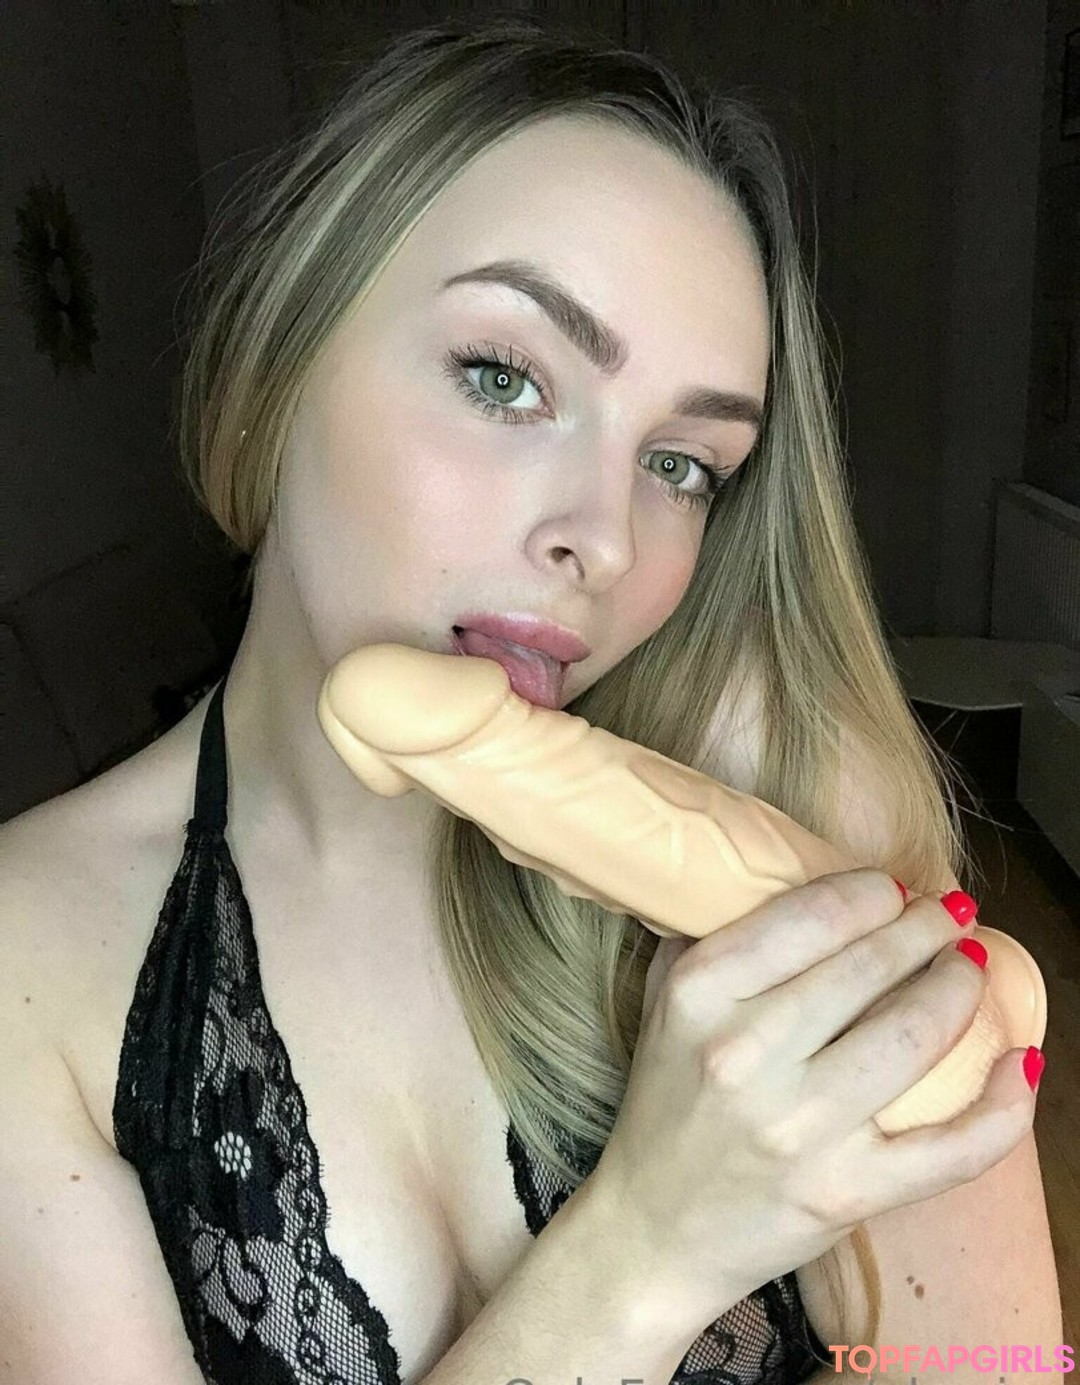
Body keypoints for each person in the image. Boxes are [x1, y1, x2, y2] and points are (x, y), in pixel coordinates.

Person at [0, 17, 1061, 1385]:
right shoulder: (32, 963)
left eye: (683, 463)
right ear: (283, 358)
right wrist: (652, 1246)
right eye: (504, 380)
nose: (605, 541)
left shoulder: (771, 784)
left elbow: (994, 1366)